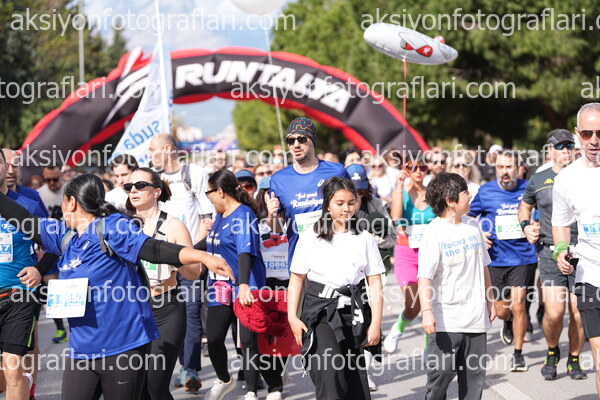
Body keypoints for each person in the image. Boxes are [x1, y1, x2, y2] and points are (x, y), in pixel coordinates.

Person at [0, 173, 232, 400]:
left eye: (63, 202)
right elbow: (23, 219)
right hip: (82, 350)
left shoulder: (112, 227)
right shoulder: (64, 237)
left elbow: (153, 249)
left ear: (71, 203)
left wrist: (202, 257)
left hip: (123, 348)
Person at [288, 177, 384, 400]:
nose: (346, 208)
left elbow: (375, 282)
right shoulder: (309, 237)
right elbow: (296, 279)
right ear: (327, 204)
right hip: (320, 313)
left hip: (354, 314)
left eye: (351, 202)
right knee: (330, 377)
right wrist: (292, 317)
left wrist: (376, 324)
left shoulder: (365, 238)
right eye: (339, 203)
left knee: (354, 383)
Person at [124, 167, 202, 400]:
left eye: (140, 186)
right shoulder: (123, 225)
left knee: (155, 385)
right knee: (136, 387)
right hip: (132, 310)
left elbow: (195, 272)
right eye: (129, 187)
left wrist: (174, 259)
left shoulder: (173, 225)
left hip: (165, 309)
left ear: (156, 191)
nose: (133, 191)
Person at [195, 170, 270, 400]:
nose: (207, 198)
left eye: (208, 193)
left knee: (247, 341)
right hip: (220, 286)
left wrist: (244, 285)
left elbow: (245, 252)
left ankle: (251, 391)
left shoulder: (243, 215)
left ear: (219, 191)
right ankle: (224, 379)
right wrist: (182, 253)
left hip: (245, 284)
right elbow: (210, 243)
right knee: (214, 338)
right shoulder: (220, 215)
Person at [419, 172, 495, 400]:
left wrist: (490, 300)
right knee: (441, 375)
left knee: (474, 381)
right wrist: (427, 311)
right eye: (465, 193)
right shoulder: (434, 232)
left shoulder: (473, 226)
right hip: (446, 320)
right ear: (450, 201)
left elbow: (484, 266)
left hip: (475, 319)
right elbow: (425, 277)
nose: (470, 196)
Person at [519, 129, 587, 381]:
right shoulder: (540, 178)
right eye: (560, 146)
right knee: (555, 312)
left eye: (569, 145)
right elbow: (525, 206)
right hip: (550, 251)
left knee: (579, 312)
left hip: (582, 250)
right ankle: (552, 352)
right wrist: (526, 226)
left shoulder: (587, 176)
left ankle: (574, 359)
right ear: (550, 150)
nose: (565, 150)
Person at [148, 133, 213, 391]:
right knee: (163, 315)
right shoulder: (152, 179)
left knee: (191, 313)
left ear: (167, 149)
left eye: (152, 150)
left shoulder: (194, 174)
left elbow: (207, 219)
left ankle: (190, 368)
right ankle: (163, 369)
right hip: (158, 262)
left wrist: (195, 254)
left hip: (188, 258)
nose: (149, 155)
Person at [468, 150, 537, 372]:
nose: (505, 172)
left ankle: (518, 354)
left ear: (518, 168)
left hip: (522, 256)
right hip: (495, 258)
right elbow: (467, 217)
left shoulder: (528, 188)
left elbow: (540, 214)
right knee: (501, 311)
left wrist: (536, 226)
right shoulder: (486, 191)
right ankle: (507, 322)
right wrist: (478, 233)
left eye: (509, 167)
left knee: (518, 305)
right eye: (500, 167)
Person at [0, 150, 59, 400]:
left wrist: (39, 270)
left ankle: (28, 389)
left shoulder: (28, 204)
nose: (9, 169)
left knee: (13, 369)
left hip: (19, 294)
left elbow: (55, 244)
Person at [552, 102, 600, 395]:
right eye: (587, 133)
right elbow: (560, 224)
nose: (594, 140)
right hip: (589, 273)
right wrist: (560, 250)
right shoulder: (566, 179)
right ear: (577, 134)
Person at [268, 117, 350, 265]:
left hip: (336, 256)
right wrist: (271, 215)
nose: (296, 145)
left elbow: (354, 205)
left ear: (313, 140)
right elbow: (277, 229)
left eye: (302, 139)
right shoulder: (278, 179)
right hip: (301, 261)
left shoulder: (337, 171)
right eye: (291, 141)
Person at [384, 157, 435, 353]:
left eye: (422, 167)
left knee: (429, 303)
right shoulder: (402, 192)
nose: (418, 171)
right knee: (413, 306)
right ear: (406, 170)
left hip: (429, 254)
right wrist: (399, 185)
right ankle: (397, 329)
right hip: (406, 254)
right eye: (413, 168)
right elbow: (396, 217)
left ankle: (429, 349)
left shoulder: (432, 193)